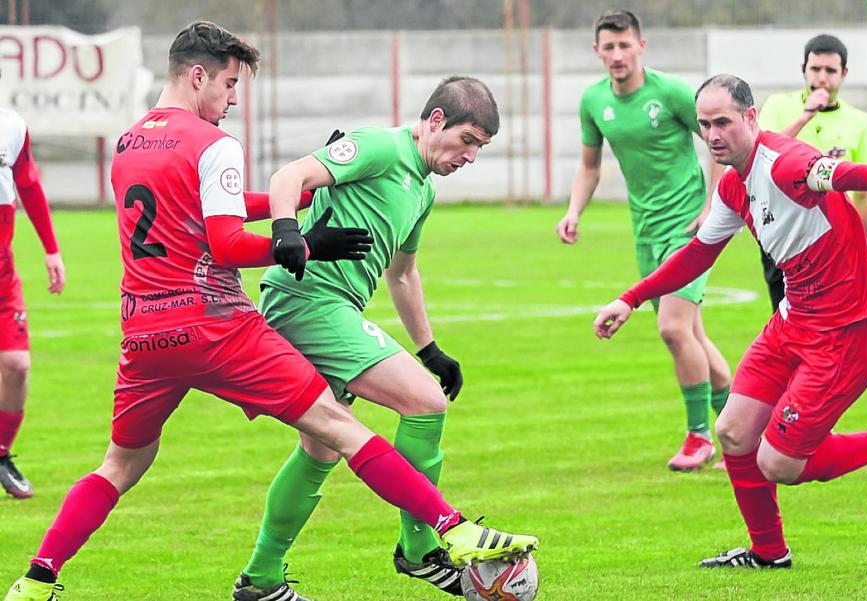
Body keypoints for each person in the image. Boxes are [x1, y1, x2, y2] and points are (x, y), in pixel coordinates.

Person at [4, 22, 536, 601]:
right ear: (198, 75)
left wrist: (304, 203)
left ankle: (37, 580)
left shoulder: (131, 142)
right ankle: (447, 534)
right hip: (216, 324)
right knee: (344, 426)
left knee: (121, 466)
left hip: (144, 333)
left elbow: (207, 212)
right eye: (230, 85)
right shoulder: (214, 143)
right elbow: (228, 243)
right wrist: (299, 240)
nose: (233, 99)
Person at [594, 74, 867, 568]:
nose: (712, 134)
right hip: (793, 322)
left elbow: (850, 174)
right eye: (704, 125)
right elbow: (698, 254)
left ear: (750, 118)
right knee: (734, 432)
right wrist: (631, 298)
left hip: (846, 334)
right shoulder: (732, 185)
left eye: (722, 121)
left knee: (780, 462)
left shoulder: (786, 163)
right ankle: (769, 552)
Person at [232, 76, 498, 601]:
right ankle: (420, 550)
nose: (470, 157)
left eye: (481, 149)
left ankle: (261, 579)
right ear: (436, 121)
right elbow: (291, 175)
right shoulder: (380, 146)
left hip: (333, 308)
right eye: (468, 140)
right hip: (306, 302)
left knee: (320, 451)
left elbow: (403, 275)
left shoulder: (422, 189)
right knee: (423, 404)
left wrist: (430, 350)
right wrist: (287, 232)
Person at [557, 9, 731, 471]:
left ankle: (700, 438)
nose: (617, 54)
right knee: (691, 334)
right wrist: (574, 211)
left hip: (690, 227)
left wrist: (713, 204)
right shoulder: (594, 101)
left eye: (624, 45)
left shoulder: (670, 92)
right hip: (646, 231)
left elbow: (718, 143)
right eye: (608, 47)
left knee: (673, 329)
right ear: (597, 51)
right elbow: (590, 166)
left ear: (641, 46)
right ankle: (742, 430)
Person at [757, 33, 867, 311]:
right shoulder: (779, 105)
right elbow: (763, 156)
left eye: (830, 70)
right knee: (787, 320)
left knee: (835, 322)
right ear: (804, 70)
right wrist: (806, 116)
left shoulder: (859, 122)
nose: (822, 78)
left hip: (836, 236)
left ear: (843, 73)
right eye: (815, 69)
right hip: (783, 231)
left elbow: (864, 194)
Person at [0, 103, 66, 499]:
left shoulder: (11, 126)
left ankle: (1, 453)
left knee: (17, 365)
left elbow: (28, 183)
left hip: (2, 272)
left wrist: (51, 250)